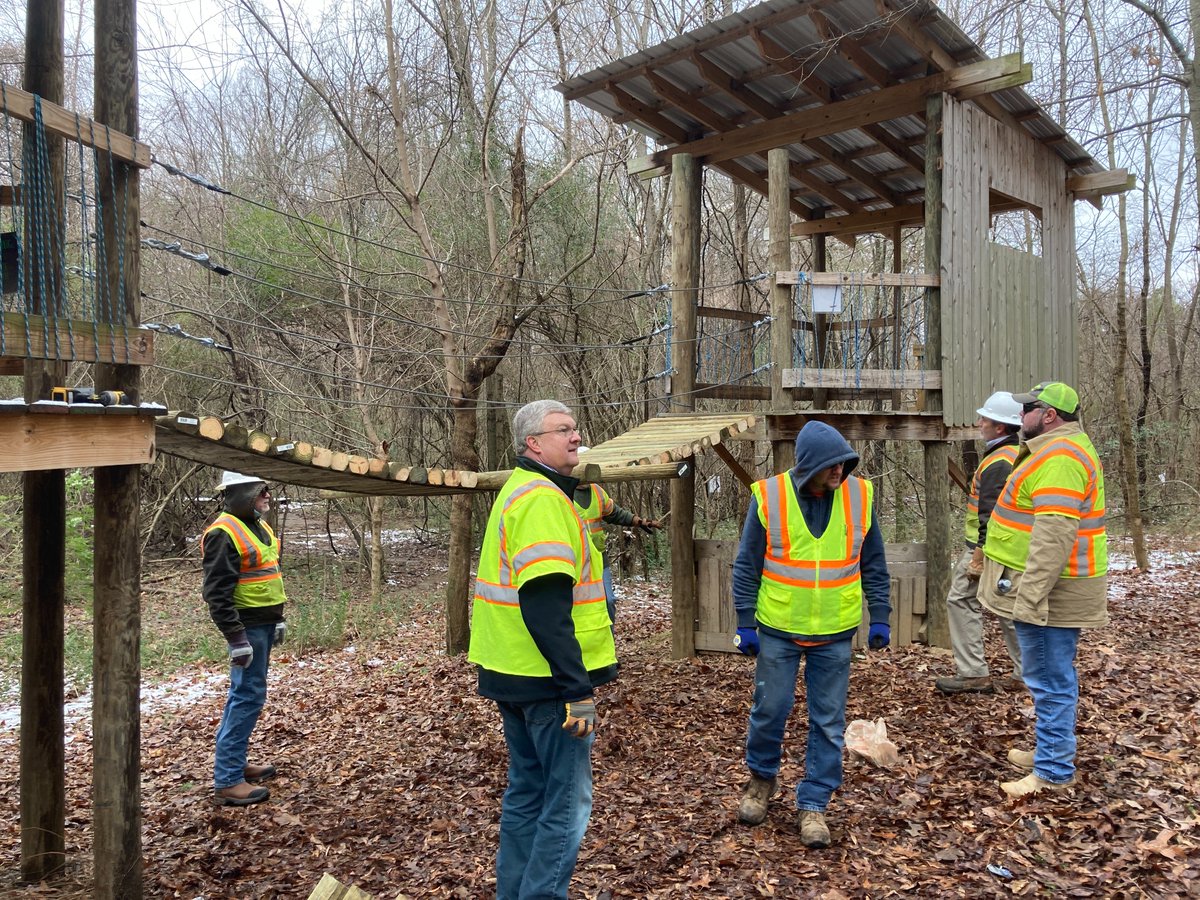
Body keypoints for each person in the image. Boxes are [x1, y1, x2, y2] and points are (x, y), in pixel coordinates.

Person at [468, 400, 619, 899]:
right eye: (563, 430)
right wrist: (577, 687)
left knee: (528, 795)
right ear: (533, 443)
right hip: (548, 685)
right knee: (566, 805)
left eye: (576, 427)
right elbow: (544, 605)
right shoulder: (542, 500)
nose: (576, 437)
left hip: (514, 674)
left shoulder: (526, 490)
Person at [731, 421, 891, 848]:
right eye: (830, 465)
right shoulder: (769, 496)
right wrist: (745, 621)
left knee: (828, 722)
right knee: (770, 709)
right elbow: (747, 563)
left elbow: (873, 561)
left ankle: (814, 802)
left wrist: (881, 615)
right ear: (808, 465)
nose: (839, 471)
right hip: (779, 629)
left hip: (835, 631)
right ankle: (761, 781)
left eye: (844, 463)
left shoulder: (861, 496)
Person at [978, 381, 1108, 798]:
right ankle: (1049, 751)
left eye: (1027, 408)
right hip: (1049, 589)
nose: (1021, 416)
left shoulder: (1060, 458)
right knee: (1047, 677)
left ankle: (1053, 771)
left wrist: (1030, 599)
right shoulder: (1053, 450)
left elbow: (1054, 535)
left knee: (1050, 680)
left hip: (1052, 594)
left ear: (1049, 415)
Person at [202, 470, 287, 807]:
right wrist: (237, 638)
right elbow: (217, 593)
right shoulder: (223, 532)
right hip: (247, 629)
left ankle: (234, 765)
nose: (267, 497)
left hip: (263, 625)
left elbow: (268, 574)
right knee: (247, 696)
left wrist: (277, 619)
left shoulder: (258, 525)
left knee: (246, 695)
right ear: (241, 494)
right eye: (261, 491)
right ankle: (227, 780)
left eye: (267, 490)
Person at [935, 391, 1024, 694]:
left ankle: (973, 672)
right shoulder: (1014, 454)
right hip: (1008, 547)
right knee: (1008, 607)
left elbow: (991, 513)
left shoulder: (999, 462)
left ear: (1000, 427)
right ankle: (1028, 672)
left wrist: (978, 556)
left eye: (984, 418)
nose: (979, 422)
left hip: (988, 547)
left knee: (960, 599)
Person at [573, 448, 663, 623]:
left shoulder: (597, 492)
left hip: (599, 559)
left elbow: (615, 513)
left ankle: (608, 643)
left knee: (608, 601)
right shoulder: (562, 492)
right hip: (575, 561)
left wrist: (641, 521)